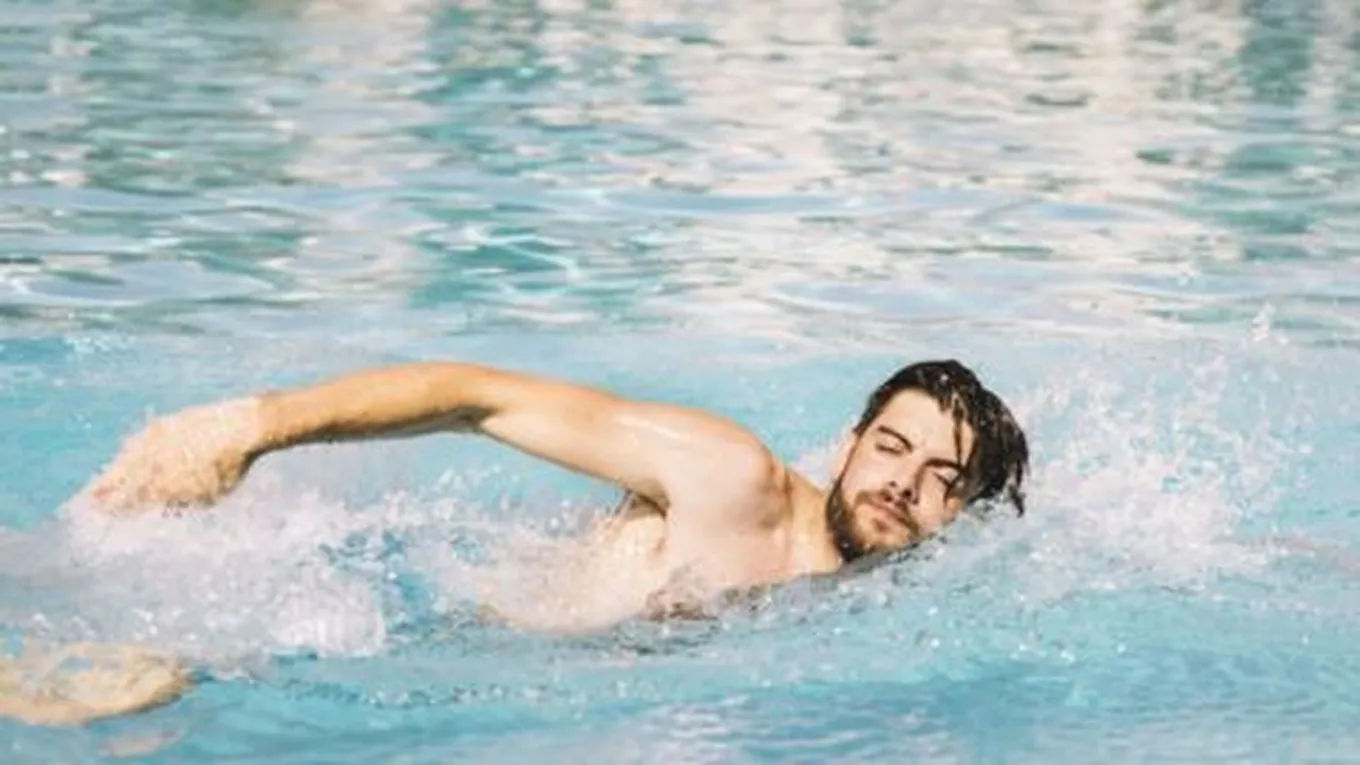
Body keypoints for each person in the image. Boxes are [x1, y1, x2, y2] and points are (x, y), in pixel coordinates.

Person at [3, 357, 1029, 725]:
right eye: (891, 446)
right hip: (426, 630)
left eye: (943, 480)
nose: (903, 483)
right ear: (848, 443)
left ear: (964, 516)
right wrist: (252, 426)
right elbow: (478, 397)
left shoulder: (901, 591)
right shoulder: (732, 477)